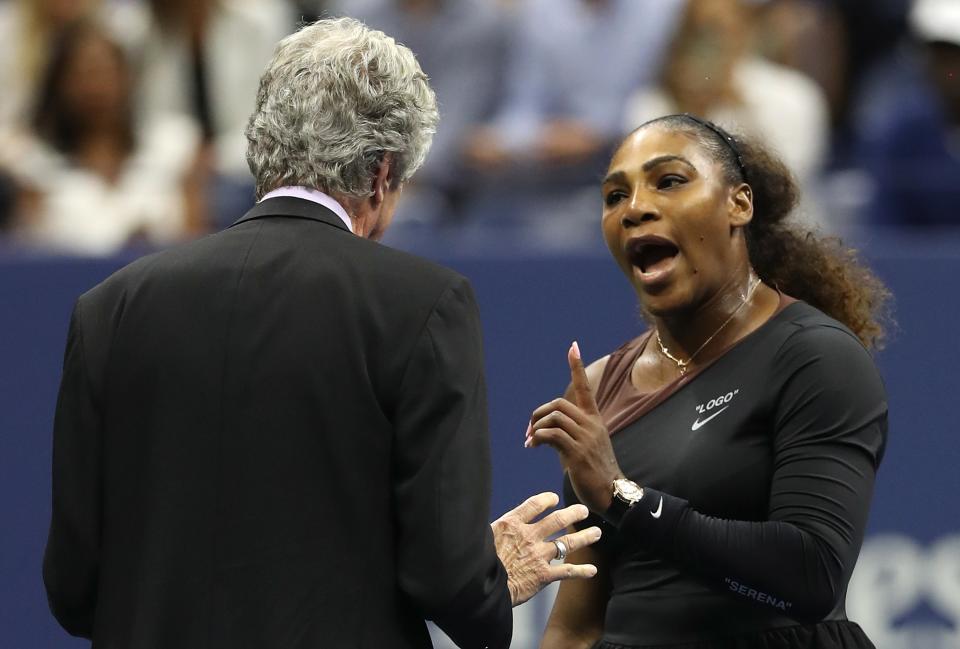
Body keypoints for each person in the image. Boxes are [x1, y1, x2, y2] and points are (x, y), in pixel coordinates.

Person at [42, 18, 600, 649]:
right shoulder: (423, 304)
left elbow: (72, 584)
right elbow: (446, 573)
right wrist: (490, 580)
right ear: (382, 174)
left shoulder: (107, 309)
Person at [526, 113, 891, 648]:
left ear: (738, 204)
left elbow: (811, 577)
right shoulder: (599, 385)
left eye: (669, 180)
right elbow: (579, 625)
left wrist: (623, 497)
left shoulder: (816, 357)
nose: (635, 209)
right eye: (614, 196)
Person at [0, 20, 203, 255]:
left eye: (105, 72)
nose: (96, 88)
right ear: (58, 85)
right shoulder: (32, 167)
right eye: (82, 75)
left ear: (128, 78)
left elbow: (199, 243)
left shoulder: (173, 146)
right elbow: (33, 256)